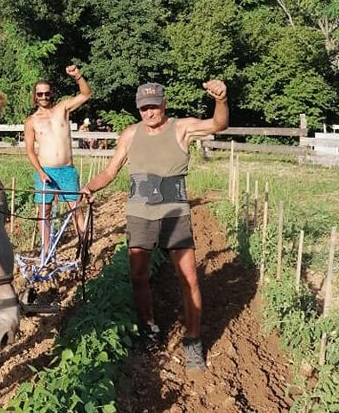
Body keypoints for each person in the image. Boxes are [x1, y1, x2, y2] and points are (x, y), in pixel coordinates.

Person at [81, 80, 228, 371]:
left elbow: (217, 124)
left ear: (164, 104)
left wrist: (221, 100)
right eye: (144, 108)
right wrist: (89, 187)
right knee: (138, 275)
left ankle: (193, 341)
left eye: (154, 106)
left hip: (175, 213)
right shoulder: (130, 134)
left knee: (189, 278)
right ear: (139, 109)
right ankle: (149, 327)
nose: (149, 112)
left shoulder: (181, 127)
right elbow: (111, 170)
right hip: (140, 213)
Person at [24, 65, 92, 248]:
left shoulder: (63, 109)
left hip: (67, 170)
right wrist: (39, 171)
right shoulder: (31, 121)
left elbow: (86, 94)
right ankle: (47, 250)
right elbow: (30, 150)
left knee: (75, 208)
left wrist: (77, 76)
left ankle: (84, 246)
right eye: (40, 94)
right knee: (44, 211)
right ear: (35, 96)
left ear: (51, 94)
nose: (44, 97)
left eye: (47, 93)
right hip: (45, 172)